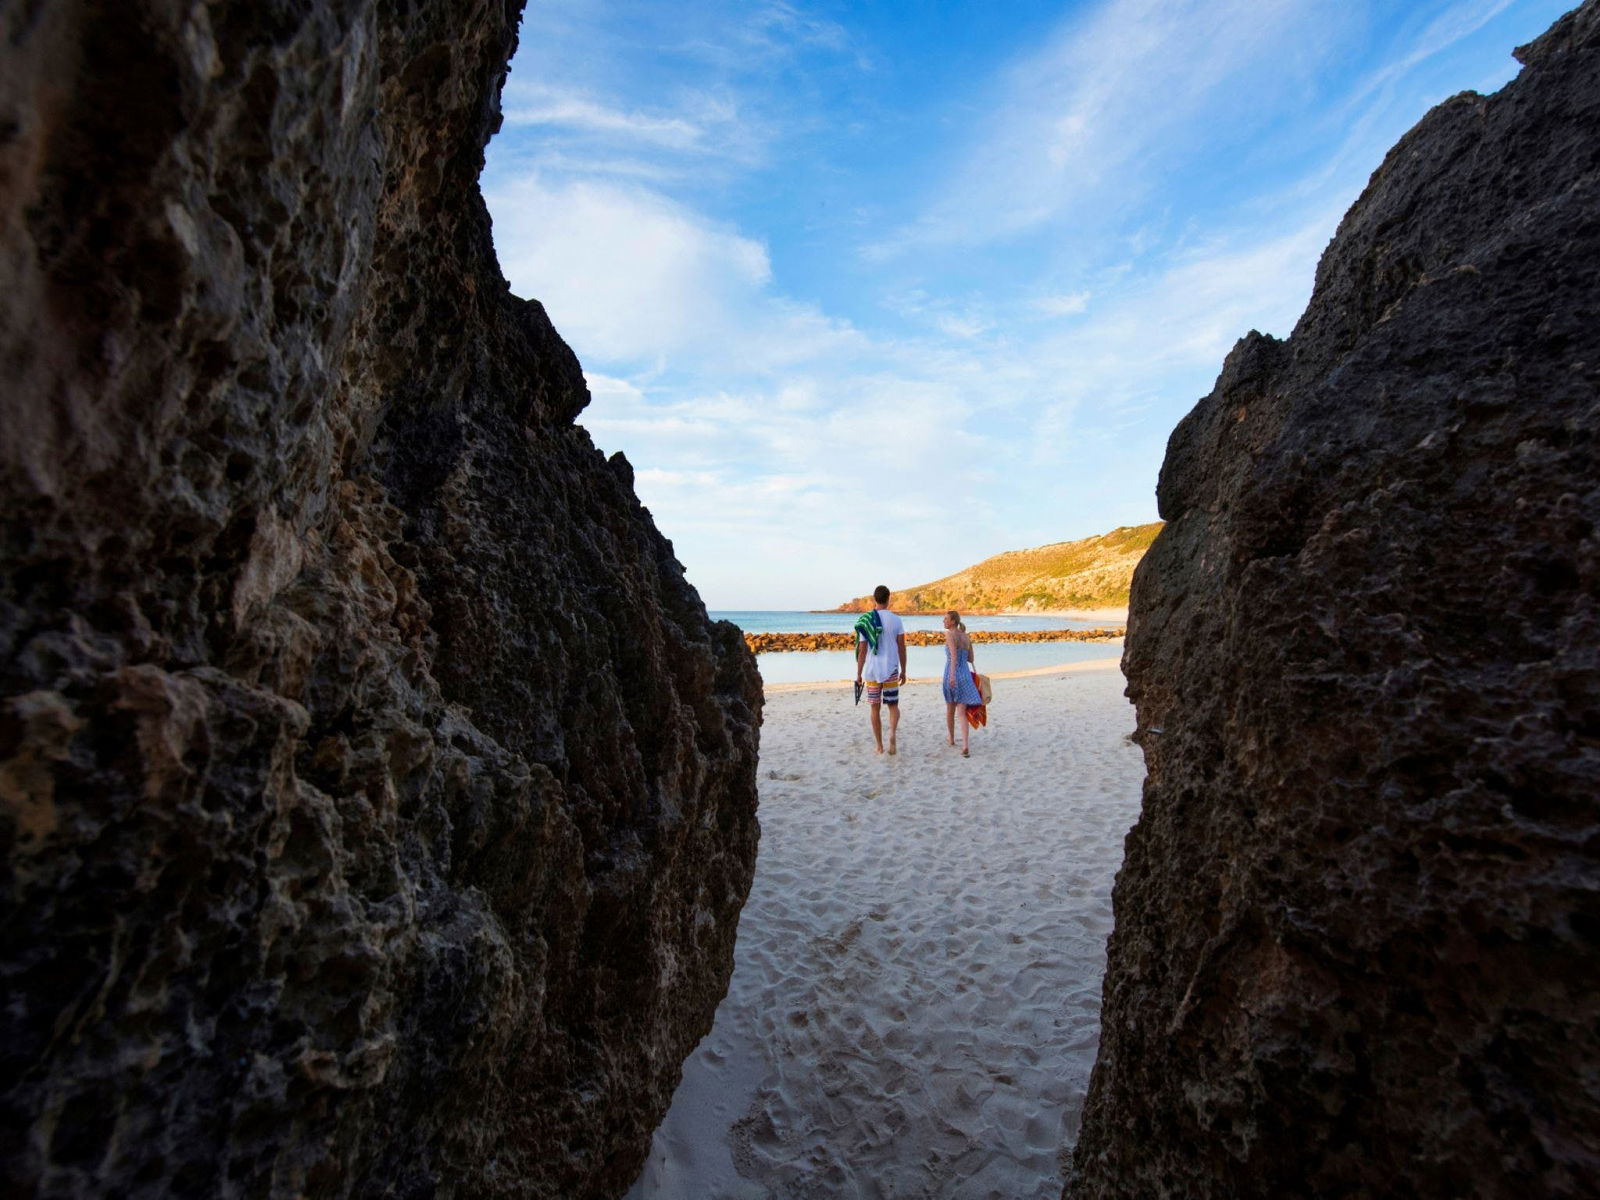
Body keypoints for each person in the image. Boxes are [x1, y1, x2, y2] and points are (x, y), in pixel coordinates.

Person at [854, 584, 907, 755]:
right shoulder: (896, 620)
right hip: (891, 668)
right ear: (888, 598)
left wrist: (858, 673)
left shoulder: (866, 620)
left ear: (874, 599)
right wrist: (904, 670)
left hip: (871, 670)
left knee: (874, 708)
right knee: (893, 705)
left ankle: (879, 746)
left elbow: (862, 650)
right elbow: (901, 647)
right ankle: (891, 732)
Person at [942, 609, 983, 757]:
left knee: (950, 708)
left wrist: (952, 676)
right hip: (965, 674)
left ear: (953, 621)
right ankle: (965, 745)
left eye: (946, 619)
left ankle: (952, 738)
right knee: (961, 712)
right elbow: (971, 658)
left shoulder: (949, 635)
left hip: (952, 673)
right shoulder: (966, 636)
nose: (944, 621)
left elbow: (953, 657)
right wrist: (962, 654)